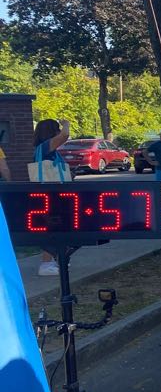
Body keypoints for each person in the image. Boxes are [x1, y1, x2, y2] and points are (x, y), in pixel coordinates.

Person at [31, 118, 71, 276]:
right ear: (51, 132)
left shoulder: (44, 150)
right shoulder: (45, 147)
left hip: (51, 194)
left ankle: (56, 258)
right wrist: (66, 124)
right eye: (57, 129)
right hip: (50, 195)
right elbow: (64, 136)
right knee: (52, 225)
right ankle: (46, 263)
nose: (59, 132)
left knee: (58, 225)